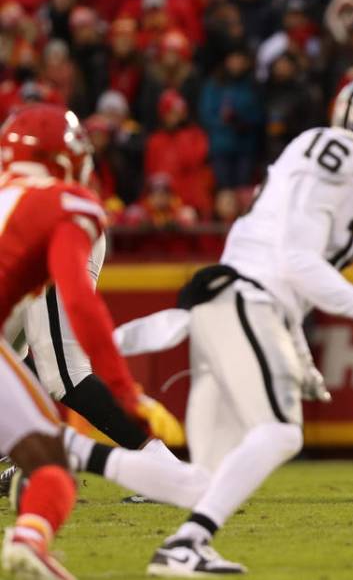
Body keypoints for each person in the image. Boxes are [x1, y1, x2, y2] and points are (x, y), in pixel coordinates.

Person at [119, 74, 353, 576]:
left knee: (207, 478)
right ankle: (174, 537)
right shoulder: (339, 159)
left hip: (238, 299)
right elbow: (296, 261)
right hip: (247, 300)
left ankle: (176, 537)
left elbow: (278, 252)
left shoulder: (342, 168)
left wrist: (301, 358)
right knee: (281, 433)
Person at [0, 105, 211, 580]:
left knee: (63, 372)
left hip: (45, 249)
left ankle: (158, 465)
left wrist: (126, 389)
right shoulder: (60, 199)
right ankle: (32, 473)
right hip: (33, 258)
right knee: (35, 386)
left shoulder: (53, 203)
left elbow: (78, 304)